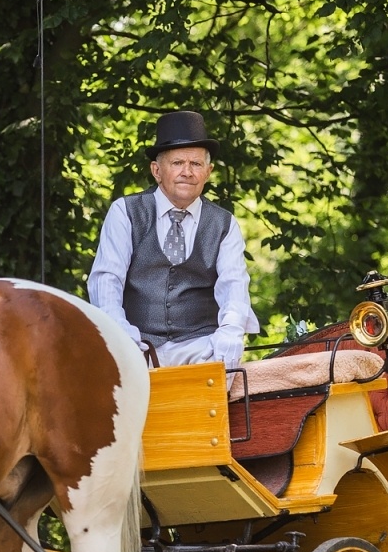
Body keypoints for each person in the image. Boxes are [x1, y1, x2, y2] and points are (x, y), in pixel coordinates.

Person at [88, 110, 259, 368]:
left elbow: (234, 288)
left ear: (208, 171)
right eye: (178, 163)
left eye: (196, 164)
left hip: (199, 347)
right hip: (136, 342)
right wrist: (124, 339)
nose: (187, 172)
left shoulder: (224, 224)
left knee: (224, 363)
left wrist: (230, 335)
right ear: (157, 170)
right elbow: (106, 282)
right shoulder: (125, 212)